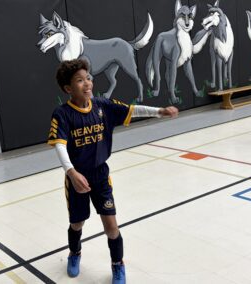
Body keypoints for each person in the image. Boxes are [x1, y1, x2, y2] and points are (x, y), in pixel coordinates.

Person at [47, 59, 178, 284]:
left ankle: (118, 264)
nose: (87, 83)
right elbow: (59, 144)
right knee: (77, 223)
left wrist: (160, 111)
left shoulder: (102, 106)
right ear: (68, 89)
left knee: (111, 226)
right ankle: (74, 253)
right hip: (77, 178)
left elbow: (131, 109)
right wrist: (71, 172)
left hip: (100, 176)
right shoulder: (62, 114)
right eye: (79, 80)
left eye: (88, 78)